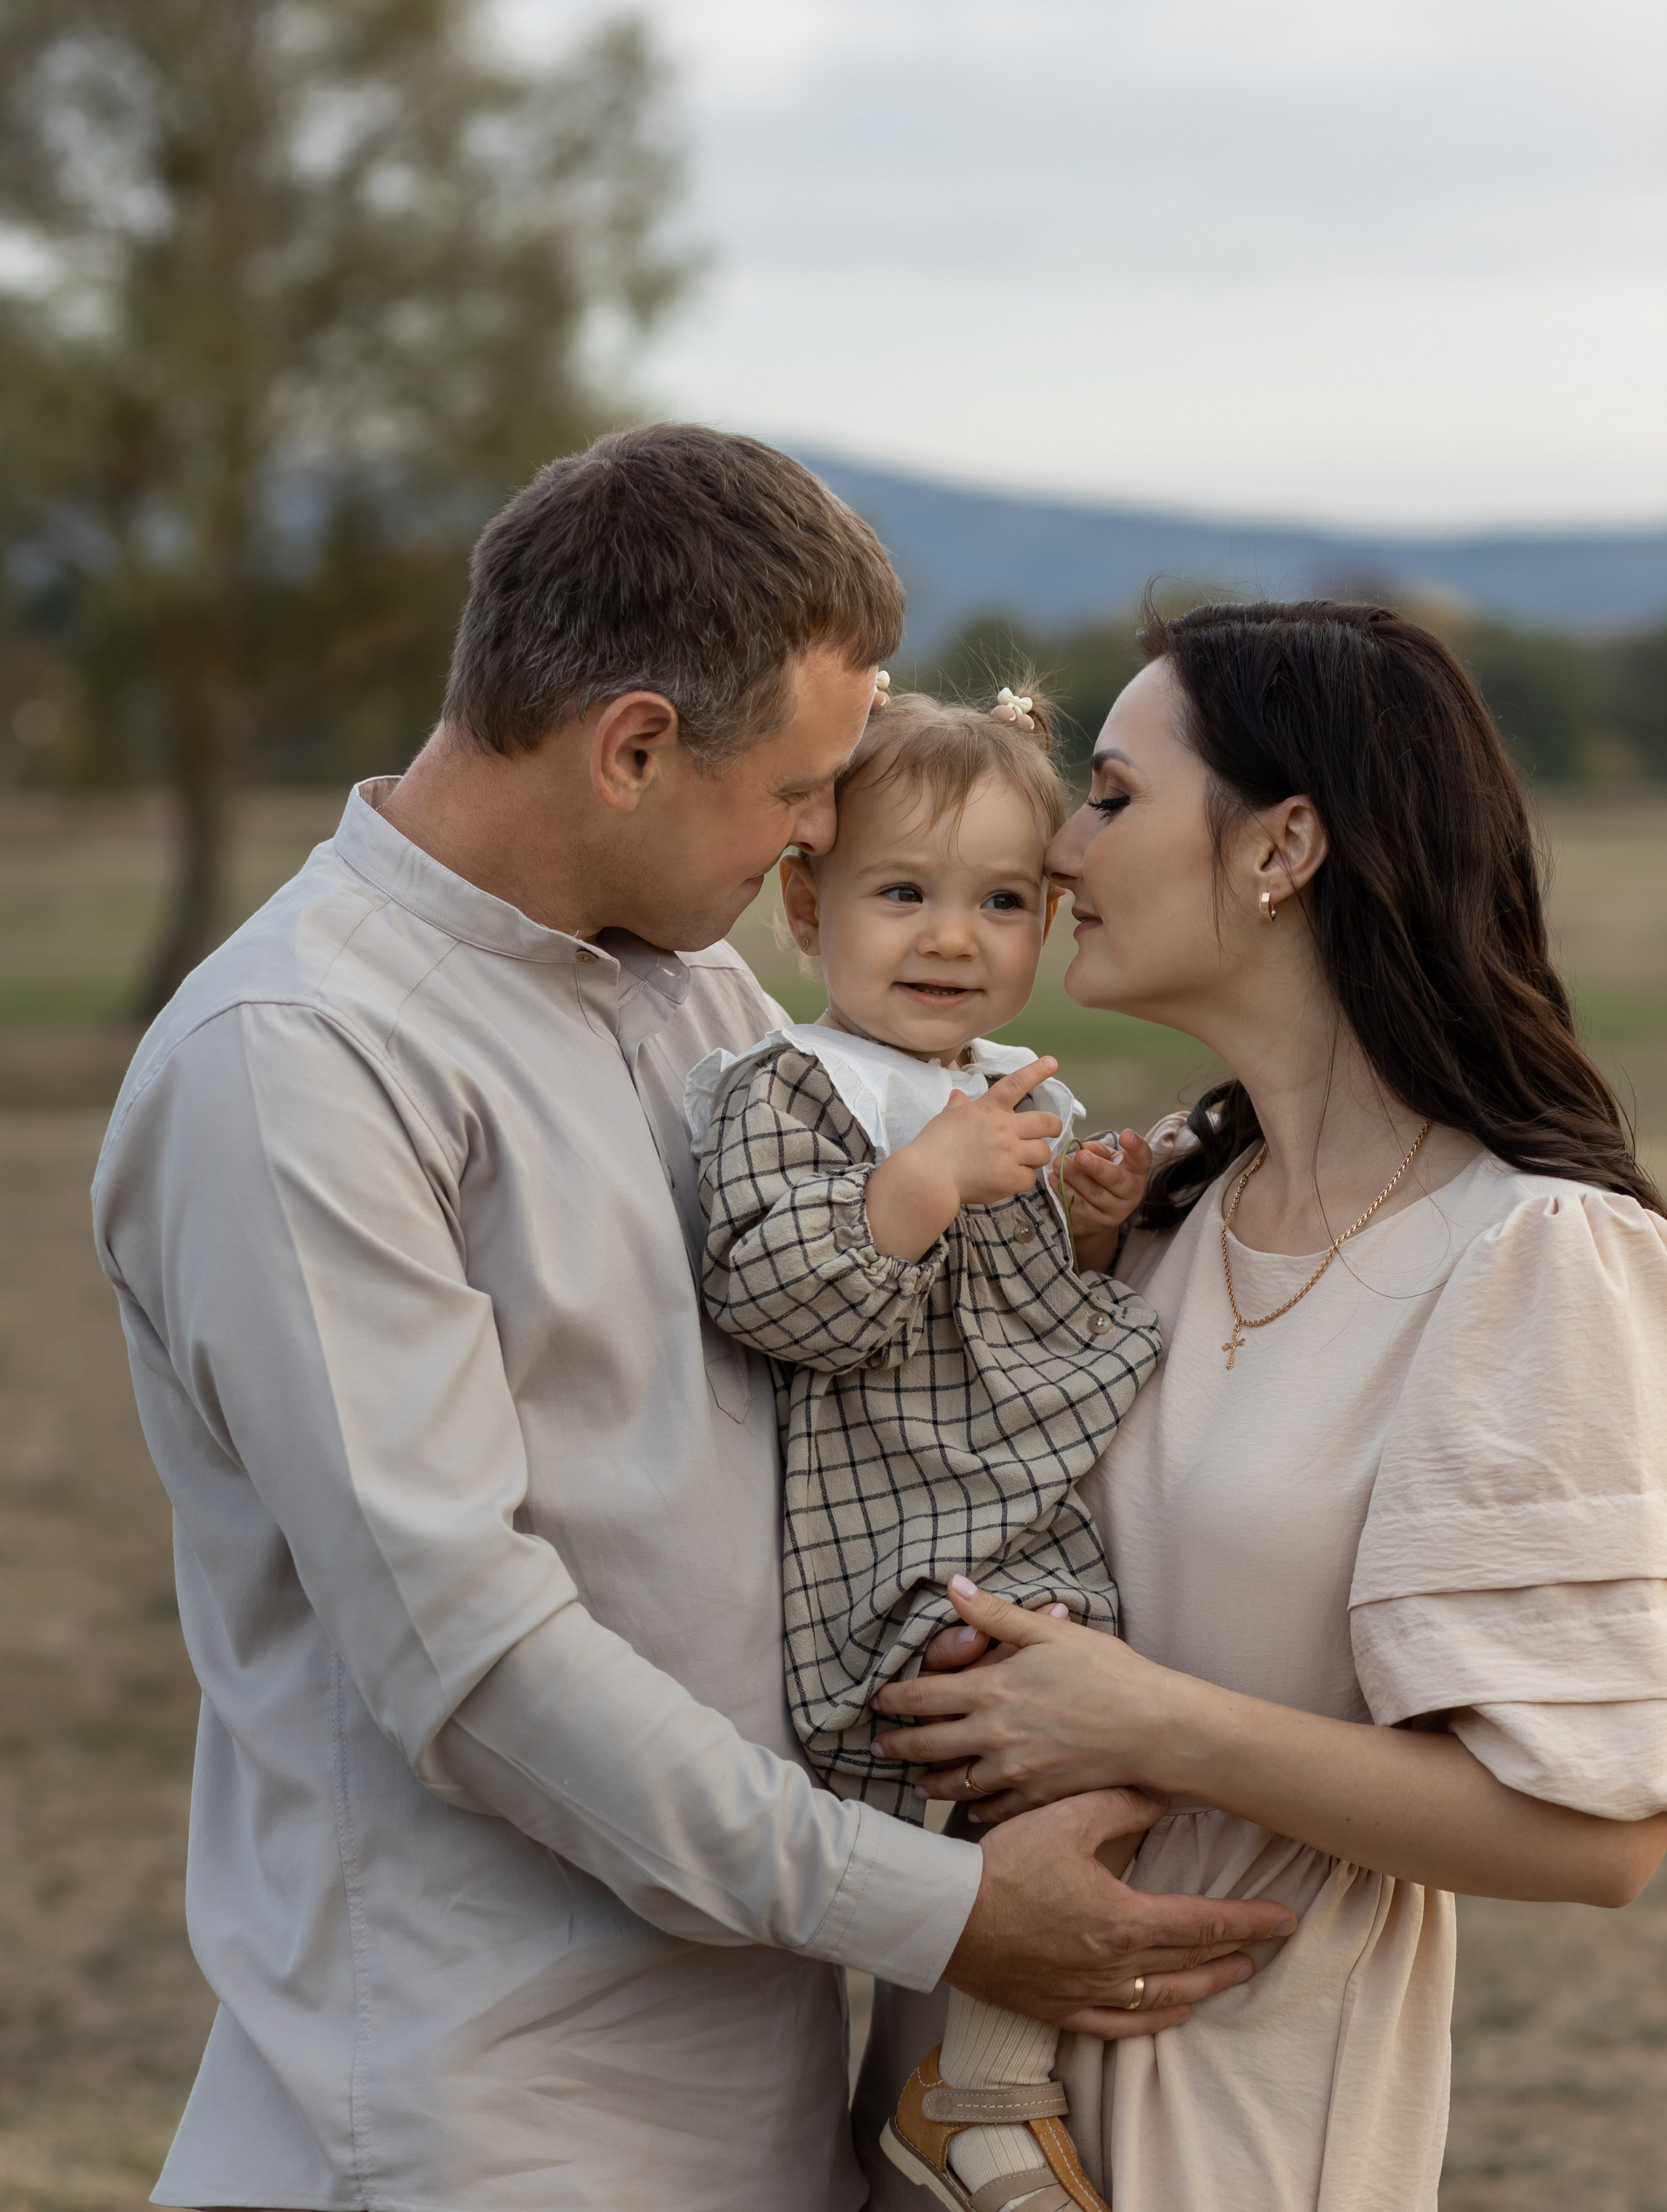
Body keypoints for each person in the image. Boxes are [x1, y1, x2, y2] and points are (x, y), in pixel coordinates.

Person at [91, 431, 1294, 2212]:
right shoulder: (299, 1064)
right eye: (804, 790)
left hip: (774, 2087)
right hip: (480, 2125)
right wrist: (957, 1916)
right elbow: (477, 1667)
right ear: (636, 747)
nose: (826, 834)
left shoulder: (697, 984)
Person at [866, 598, 1667, 2212]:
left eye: (1106, 793)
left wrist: (1146, 1723)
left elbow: (1589, 1839)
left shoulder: (1522, 1252)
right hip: (932, 2096)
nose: (1063, 850)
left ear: (1280, 845)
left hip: (1227, 2116)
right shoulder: (1146, 1211)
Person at [688, 684, 1164, 2212]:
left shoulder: (1013, 1089)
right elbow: (770, 1294)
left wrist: (1081, 1227)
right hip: (888, 1525)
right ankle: (980, 2098)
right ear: (805, 903)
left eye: (1002, 902)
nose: (951, 940)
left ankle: (977, 2083)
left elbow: (1026, 1319)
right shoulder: (793, 1088)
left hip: (1012, 1502)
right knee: (1047, 1739)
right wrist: (917, 1189)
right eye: (903, 895)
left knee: (1098, 1742)